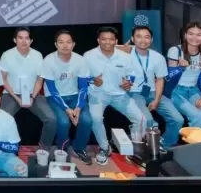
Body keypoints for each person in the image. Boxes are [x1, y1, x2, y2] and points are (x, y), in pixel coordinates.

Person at [85, 26, 145, 165]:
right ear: (98, 40)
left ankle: (134, 147)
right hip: (98, 94)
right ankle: (104, 147)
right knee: (95, 118)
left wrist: (128, 82)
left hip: (120, 95)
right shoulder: (88, 56)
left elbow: (131, 74)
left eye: (111, 39)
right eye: (104, 39)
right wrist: (92, 80)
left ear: (116, 41)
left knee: (141, 119)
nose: (107, 42)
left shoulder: (125, 57)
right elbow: (82, 76)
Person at [40, 30, 93, 164]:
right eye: (61, 42)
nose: (65, 45)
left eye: (68, 42)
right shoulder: (49, 60)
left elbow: (83, 87)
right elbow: (52, 90)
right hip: (55, 97)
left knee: (86, 120)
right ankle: (62, 148)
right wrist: (68, 110)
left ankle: (79, 147)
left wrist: (78, 108)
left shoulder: (80, 60)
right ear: (56, 44)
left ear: (73, 44)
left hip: (75, 95)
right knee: (63, 122)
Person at [127, 26, 184, 148]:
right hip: (134, 92)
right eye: (139, 36)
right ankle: (144, 147)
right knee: (147, 119)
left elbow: (160, 80)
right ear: (132, 38)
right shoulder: (125, 55)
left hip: (153, 91)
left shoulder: (158, 57)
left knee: (177, 119)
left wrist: (157, 100)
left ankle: (165, 145)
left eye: (147, 37)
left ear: (151, 39)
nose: (143, 40)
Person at [0, 27, 56, 149]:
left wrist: (32, 97)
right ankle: (9, 148)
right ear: (15, 40)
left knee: (51, 119)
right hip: (11, 94)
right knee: (2, 120)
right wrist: (17, 98)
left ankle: (44, 149)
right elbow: (3, 80)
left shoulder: (38, 55)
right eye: (20, 38)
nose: (23, 41)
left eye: (26, 38)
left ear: (31, 41)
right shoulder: (7, 55)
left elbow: (39, 80)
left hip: (32, 94)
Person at [166, 22, 201, 135]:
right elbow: (169, 78)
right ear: (185, 35)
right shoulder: (175, 51)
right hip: (176, 91)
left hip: (194, 90)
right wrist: (180, 68)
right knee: (197, 116)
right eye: (191, 34)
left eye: (199, 35)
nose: (194, 37)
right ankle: (195, 145)